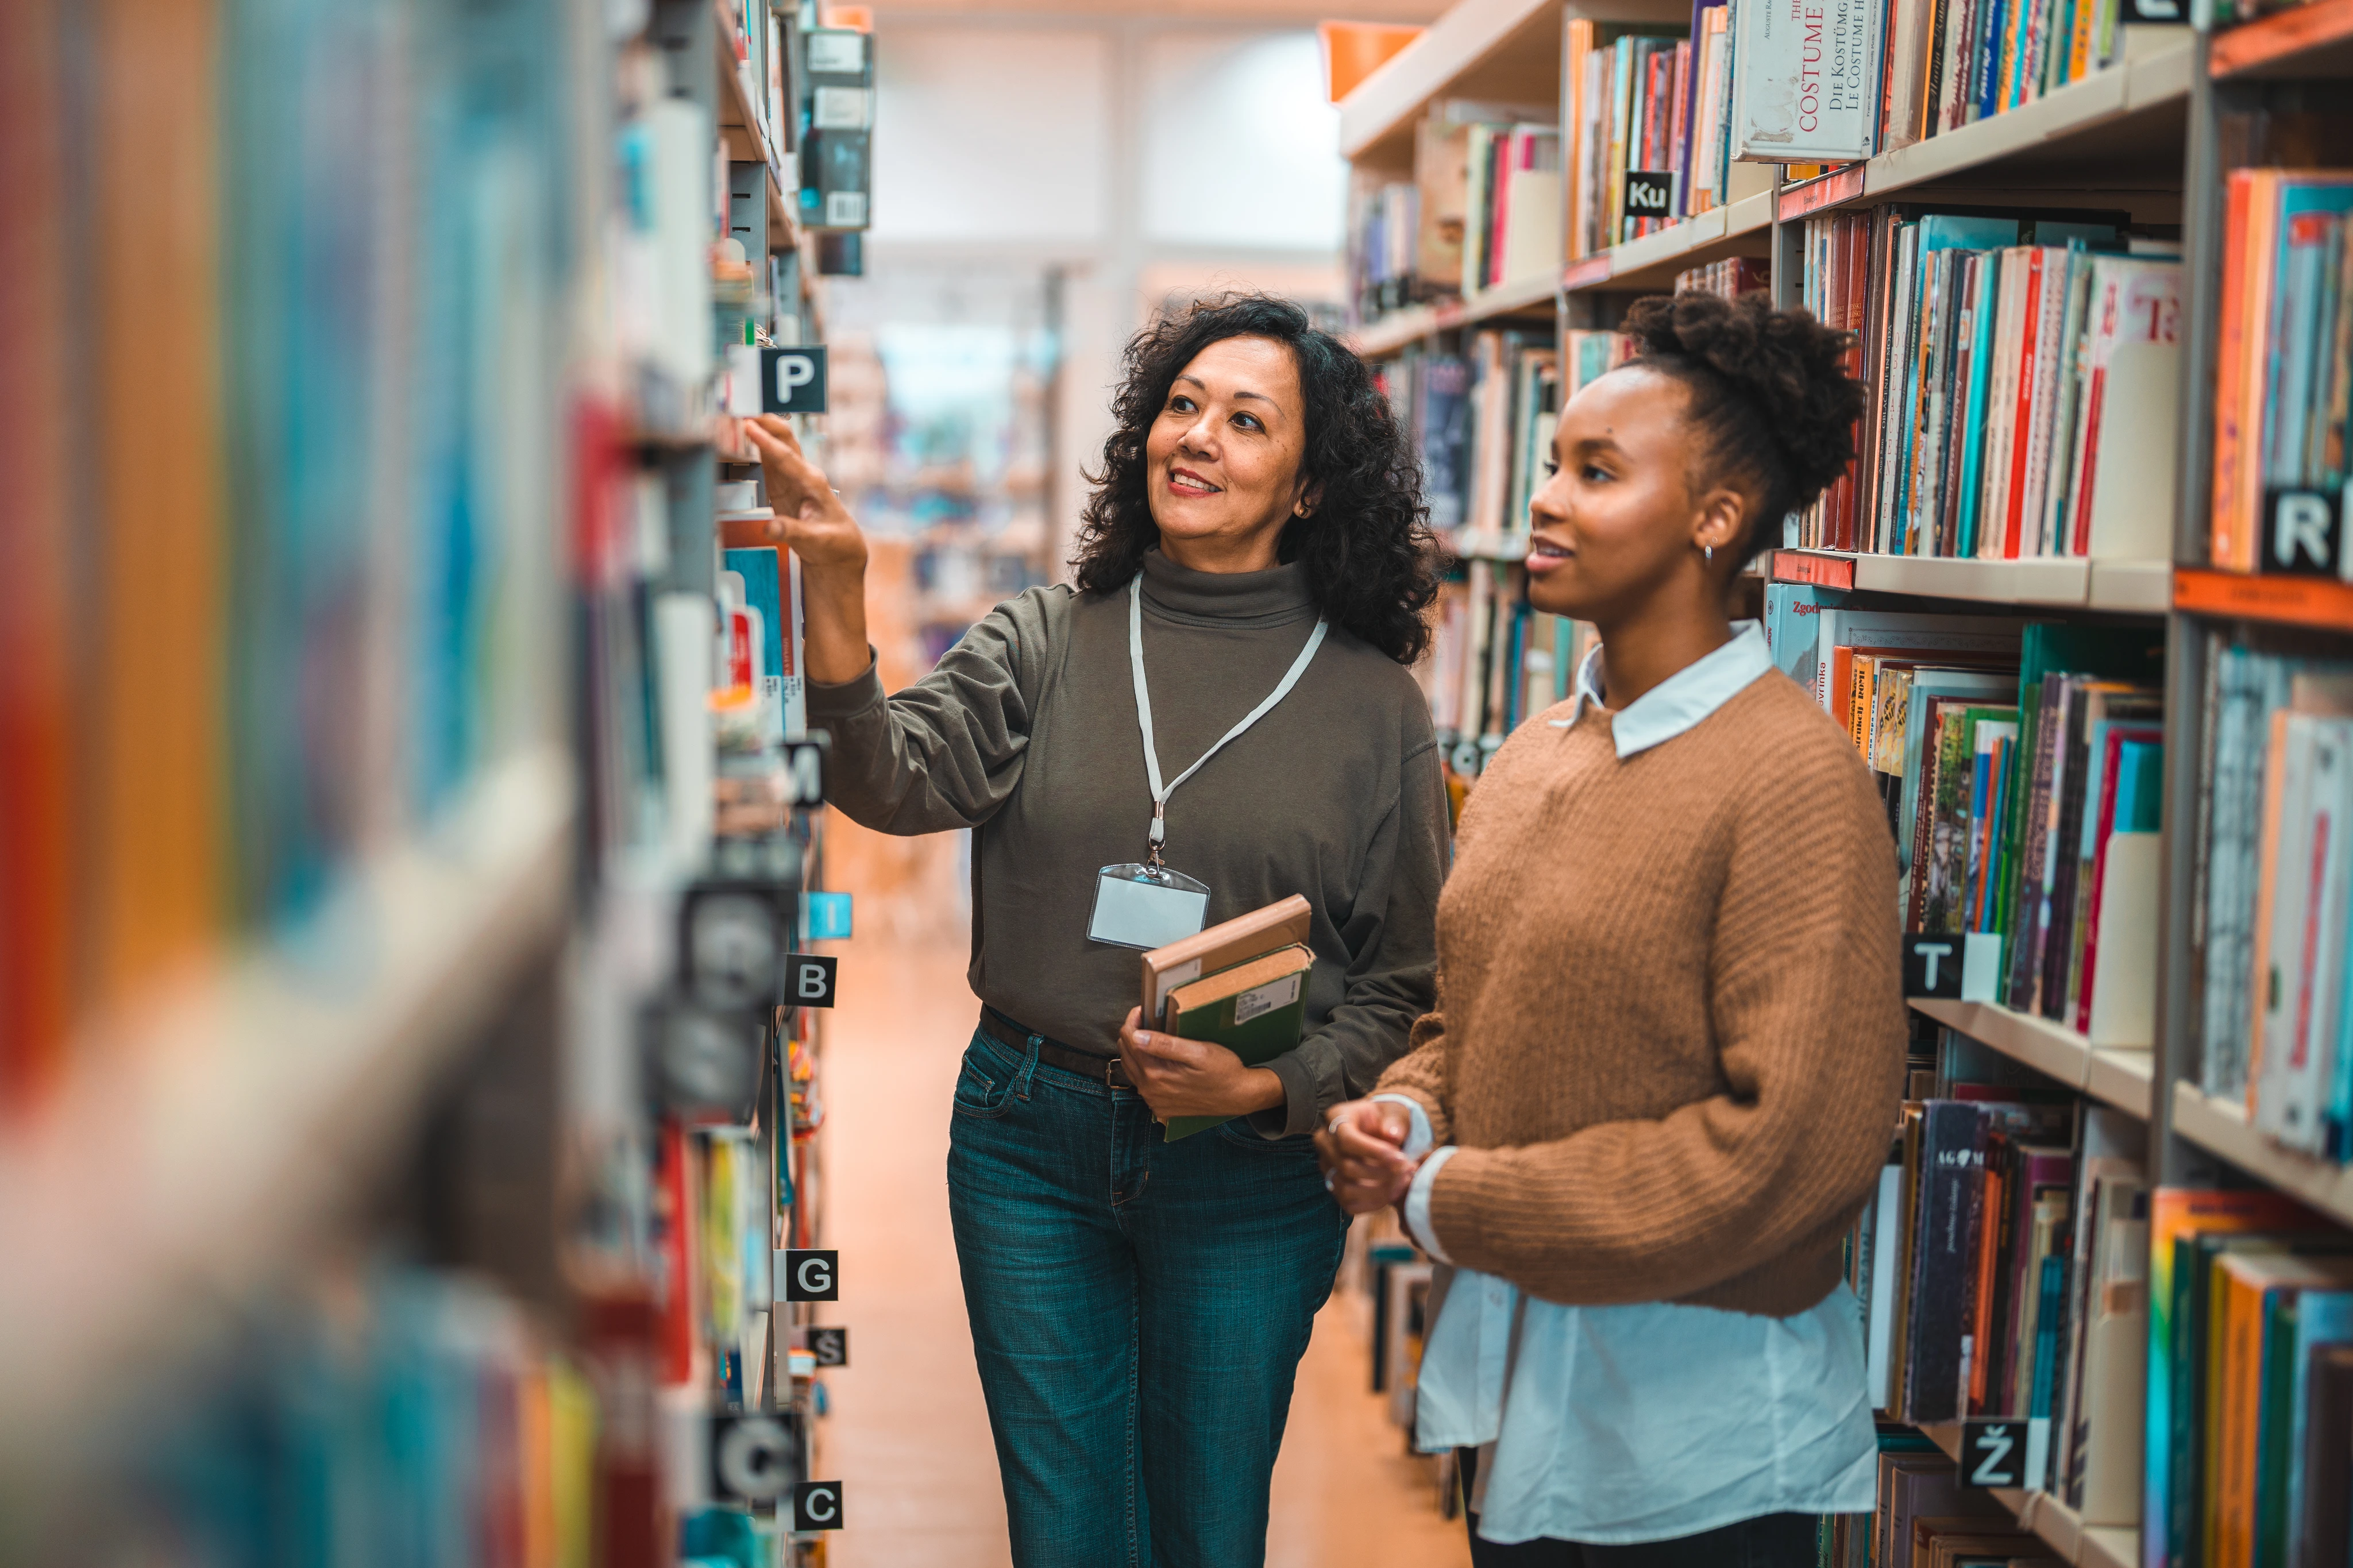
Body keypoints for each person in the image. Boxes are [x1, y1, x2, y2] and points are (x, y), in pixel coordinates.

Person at [743, 293, 1447, 1567]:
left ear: (1308, 487)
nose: (1196, 436)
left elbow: (1402, 982)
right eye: (1181, 405)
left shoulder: (1373, 708)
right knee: (1063, 1532)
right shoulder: (1046, 637)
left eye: (1245, 420)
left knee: (1205, 1530)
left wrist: (1266, 1085)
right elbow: (892, 783)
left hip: (1247, 1168)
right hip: (1029, 1136)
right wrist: (836, 604)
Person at [1317, 291, 1904, 1567]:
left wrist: (1455, 1198)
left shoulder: (1792, 782)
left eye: (1596, 471)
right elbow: (1469, 1019)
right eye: (1548, 464)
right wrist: (1409, 1112)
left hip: (1699, 1438)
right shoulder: (1538, 750)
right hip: (1529, 1393)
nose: (1545, 501)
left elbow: (1786, 1151)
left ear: (1714, 519)